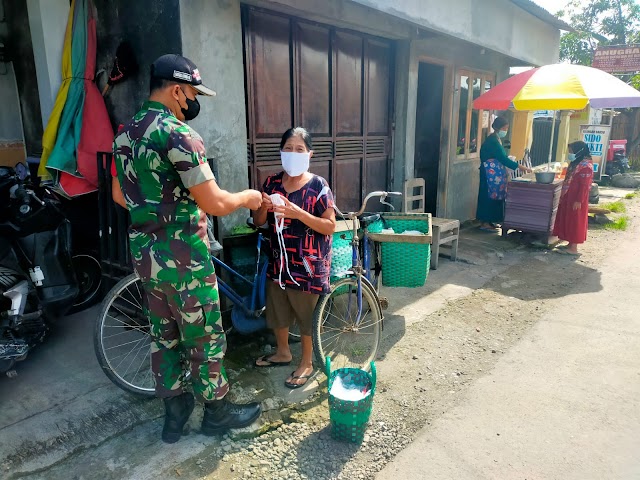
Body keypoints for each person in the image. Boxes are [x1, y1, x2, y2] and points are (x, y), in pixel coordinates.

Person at [111, 54, 263, 443]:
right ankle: (217, 414)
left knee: (164, 336)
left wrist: (153, 212)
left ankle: (174, 415)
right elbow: (214, 203)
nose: (192, 102)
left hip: (147, 259)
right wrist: (248, 197)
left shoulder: (125, 134)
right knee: (205, 336)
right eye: (192, 93)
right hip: (184, 260)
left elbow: (118, 193)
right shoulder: (178, 134)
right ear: (177, 89)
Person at [252, 127, 336, 388]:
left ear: (309, 154)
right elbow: (258, 222)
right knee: (277, 309)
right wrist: (263, 209)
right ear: (280, 151)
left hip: (308, 264)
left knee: (305, 315)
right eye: (288, 148)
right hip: (278, 261)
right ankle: (283, 352)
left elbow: (329, 225)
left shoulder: (318, 186)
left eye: (299, 149)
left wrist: (299, 214)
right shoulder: (271, 183)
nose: (293, 153)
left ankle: (308, 361)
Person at [476, 116, 531, 231]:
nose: (505, 131)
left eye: (507, 128)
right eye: (504, 128)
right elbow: (502, 158)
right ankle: (485, 222)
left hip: (494, 174)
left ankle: (490, 220)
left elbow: (502, 157)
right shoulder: (492, 141)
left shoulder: (496, 139)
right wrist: (520, 166)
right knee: (488, 196)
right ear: (497, 128)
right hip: (489, 174)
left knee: (495, 196)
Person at [553, 141, 594, 256]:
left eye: (571, 151)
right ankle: (570, 244)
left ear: (579, 151)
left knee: (575, 221)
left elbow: (584, 186)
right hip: (569, 196)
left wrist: (578, 200)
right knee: (568, 219)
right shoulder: (576, 163)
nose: (570, 154)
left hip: (576, 198)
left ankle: (574, 248)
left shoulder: (585, 166)